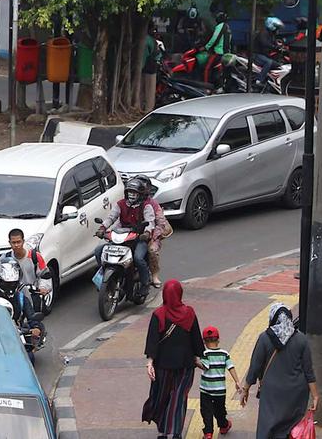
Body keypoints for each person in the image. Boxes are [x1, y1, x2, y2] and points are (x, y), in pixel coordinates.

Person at [241, 303, 317, 439]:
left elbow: (255, 366)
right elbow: (308, 371)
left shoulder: (265, 338)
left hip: (272, 393)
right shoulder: (301, 339)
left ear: (273, 318)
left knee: (268, 426)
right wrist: (315, 396)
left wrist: (245, 389)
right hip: (296, 394)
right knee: (292, 428)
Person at [142, 280, 204, 439]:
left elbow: (153, 340)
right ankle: (175, 433)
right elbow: (196, 338)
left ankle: (163, 432)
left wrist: (150, 362)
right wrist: (197, 357)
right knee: (179, 398)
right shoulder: (189, 313)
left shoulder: (159, 314)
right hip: (185, 365)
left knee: (163, 396)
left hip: (163, 365)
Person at [96, 176, 156, 289]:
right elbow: (111, 217)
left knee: (138, 258)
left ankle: (145, 283)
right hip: (122, 236)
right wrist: (102, 228)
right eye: (130, 192)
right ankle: (103, 275)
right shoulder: (120, 204)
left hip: (138, 238)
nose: (132, 195)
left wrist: (147, 233)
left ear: (140, 194)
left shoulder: (146, 206)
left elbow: (150, 222)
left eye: (134, 192)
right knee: (99, 250)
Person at [197, 326, 241, 439]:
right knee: (220, 410)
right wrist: (237, 381)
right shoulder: (224, 353)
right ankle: (223, 425)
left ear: (204, 341)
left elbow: (204, 366)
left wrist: (194, 361)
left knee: (206, 411)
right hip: (220, 390)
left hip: (205, 389)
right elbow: (231, 367)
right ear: (218, 339)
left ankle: (208, 433)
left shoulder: (205, 353)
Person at [0, 258, 44, 339]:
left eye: (12, 283)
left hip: (17, 335)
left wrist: (36, 327)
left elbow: (31, 317)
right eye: (6, 283)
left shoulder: (21, 298)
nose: (10, 286)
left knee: (29, 350)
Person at [0, 228, 51, 299]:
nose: (16, 245)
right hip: (11, 295)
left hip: (31, 295)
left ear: (23, 241)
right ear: (10, 243)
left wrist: (43, 287)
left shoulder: (35, 256)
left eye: (18, 242)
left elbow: (45, 275)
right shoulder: (5, 257)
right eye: (13, 242)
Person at [253, 16, 285, 90]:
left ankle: (269, 81)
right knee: (269, 62)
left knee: (277, 64)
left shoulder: (271, 35)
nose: (278, 30)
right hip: (257, 55)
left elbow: (274, 43)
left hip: (263, 55)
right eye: (277, 28)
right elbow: (265, 43)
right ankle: (259, 80)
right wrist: (275, 47)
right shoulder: (263, 33)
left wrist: (280, 47)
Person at [199, 12, 231, 84]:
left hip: (218, 52)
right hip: (226, 53)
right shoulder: (227, 27)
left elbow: (215, 39)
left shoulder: (220, 26)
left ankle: (205, 85)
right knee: (220, 70)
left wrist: (206, 47)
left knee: (207, 69)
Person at [141, 21, 162, 111]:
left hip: (143, 69)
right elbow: (157, 55)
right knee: (149, 92)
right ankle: (148, 111)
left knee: (141, 91)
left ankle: (141, 108)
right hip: (150, 69)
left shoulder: (143, 39)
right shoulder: (150, 40)